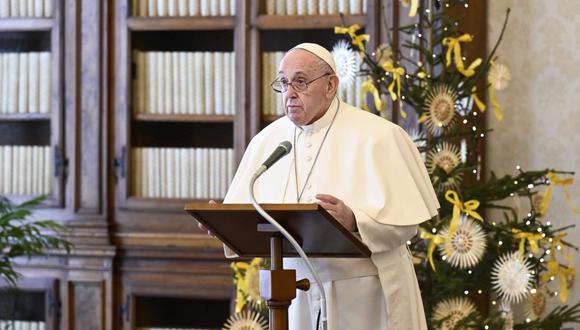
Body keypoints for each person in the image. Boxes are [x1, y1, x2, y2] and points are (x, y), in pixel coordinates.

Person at [201, 43, 439, 330]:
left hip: (364, 296)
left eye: (300, 82)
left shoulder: (379, 137)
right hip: (295, 296)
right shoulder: (268, 141)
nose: (289, 93)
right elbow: (254, 220)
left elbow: (406, 226)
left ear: (330, 85)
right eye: (284, 83)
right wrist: (224, 222)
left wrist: (354, 219)